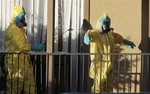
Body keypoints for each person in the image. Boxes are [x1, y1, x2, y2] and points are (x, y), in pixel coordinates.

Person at [84, 13, 135, 93]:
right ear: (100, 23)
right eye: (104, 23)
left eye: (107, 23)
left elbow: (117, 37)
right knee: (98, 87)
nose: (106, 25)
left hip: (109, 66)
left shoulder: (110, 35)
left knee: (109, 86)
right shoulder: (95, 33)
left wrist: (125, 41)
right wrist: (87, 38)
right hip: (98, 66)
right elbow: (89, 34)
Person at [4, 5, 44, 94]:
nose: (24, 18)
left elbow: (23, 45)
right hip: (15, 62)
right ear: (17, 17)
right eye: (22, 16)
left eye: (24, 16)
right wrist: (34, 47)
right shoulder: (13, 29)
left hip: (24, 61)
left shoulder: (20, 29)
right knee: (14, 86)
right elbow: (21, 45)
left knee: (30, 86)